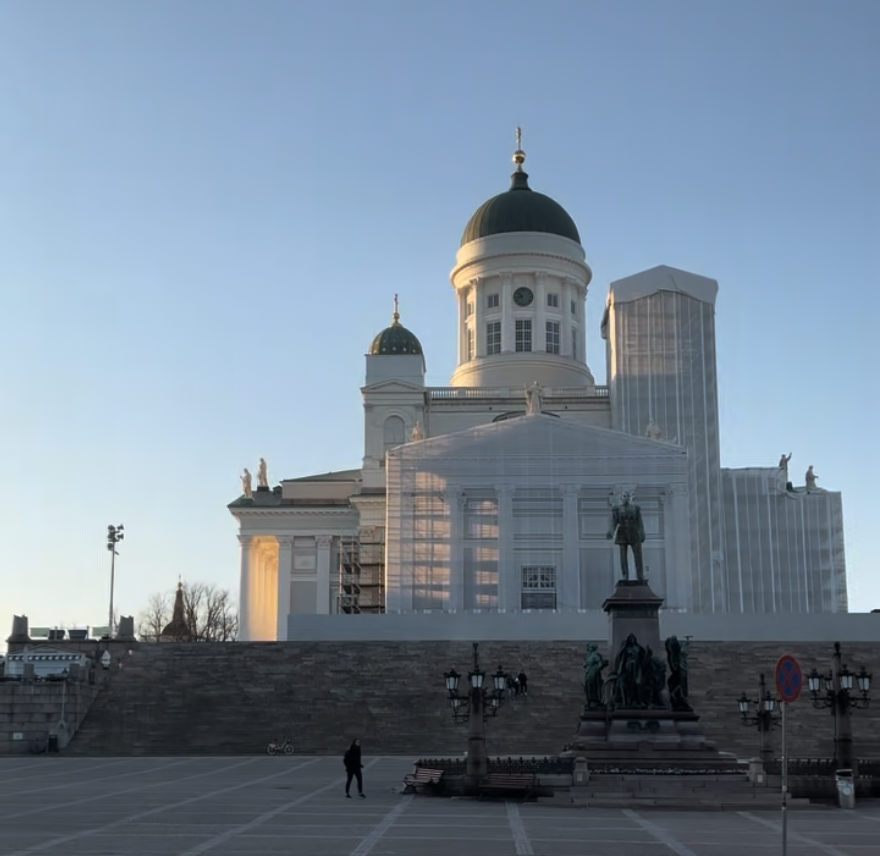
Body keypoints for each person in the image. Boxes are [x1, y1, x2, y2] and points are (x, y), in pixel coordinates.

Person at [607, 492, 646, 582]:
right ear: (621, 498)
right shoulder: (617, 509)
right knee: (623, 556)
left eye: (628, 496)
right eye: (624, 496)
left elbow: (640, 522)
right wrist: (611, 532)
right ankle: (625, 575)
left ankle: (640, 575)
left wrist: (642, 533)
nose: (626, 498)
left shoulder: (636, 509)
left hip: (634, 531)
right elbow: (614, 522)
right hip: (622, 532)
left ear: (630, 498)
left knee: (638, 555)